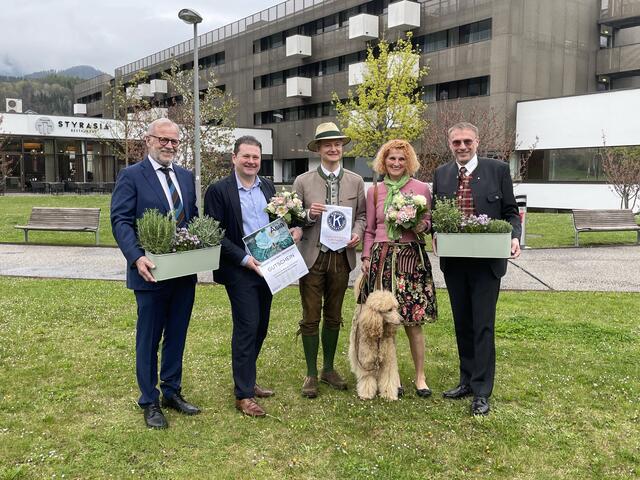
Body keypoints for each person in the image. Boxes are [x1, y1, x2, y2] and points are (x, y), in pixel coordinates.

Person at [111, 118, 200, 429]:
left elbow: (193, 219)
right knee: (149, 339)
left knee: (177, 334)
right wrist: (136, 258)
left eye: (174, 141)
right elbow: (121, 220)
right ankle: (149, 400)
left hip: (183, 274)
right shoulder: (132, 176)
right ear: (148, 140)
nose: (169, 146)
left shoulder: (186, 178)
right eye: (163, 140)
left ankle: (171, 392)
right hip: (149, 273)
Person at [204, 136, 301, 417]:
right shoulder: (219, 190)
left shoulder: (268, 187)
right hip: (240, 269)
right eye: (245, 156)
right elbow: (216, 234)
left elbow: (278, 222)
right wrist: (246, 259)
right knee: (247, 327)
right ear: (234, 158)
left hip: (270, 268)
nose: (251, 161)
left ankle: (248, 378)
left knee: (261, 327)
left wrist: (292, 230)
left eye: (255, 157)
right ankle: (243, 395)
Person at [432, 121, 521, 416]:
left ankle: (482, 391)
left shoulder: (497, 171)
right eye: (456, 142)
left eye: (467, 141)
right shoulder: (441, 175)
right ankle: (466, 381)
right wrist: (433, 233)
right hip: (455, 263)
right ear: (450, 144)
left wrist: (515, 238)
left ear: (477, 142)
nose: (462, 147)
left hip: (486, 265)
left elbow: (510, 212)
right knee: (462, 325)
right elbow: (436, 216)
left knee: (482, 326)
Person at [293, 122, 366, 398]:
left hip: (341, 258)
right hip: (313, 256)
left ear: (342, 147)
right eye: (327, 145)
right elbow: (293, 218)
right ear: (319, 150)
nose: (334, 148)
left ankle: (328, 368)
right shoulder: (303, 181)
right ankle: (311, 373)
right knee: (310, 316)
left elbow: (361, 216)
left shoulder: (356, 181)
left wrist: (357, 234)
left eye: (337, 144)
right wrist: (309, 214)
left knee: (334, 315)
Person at [360, 139, 438, 397]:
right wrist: (366, 257)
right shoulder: (373, 191)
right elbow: (370, 229)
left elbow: (428, 221)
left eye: (401, 159)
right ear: (384, 161)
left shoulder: (420, 189)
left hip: (409, 258)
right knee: (383, 324)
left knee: (412, 321)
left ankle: (420, 376)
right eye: (391, 158)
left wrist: (421, 226)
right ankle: (391, 377)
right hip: (381, 259)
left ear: (409, 162)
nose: (396, 163)